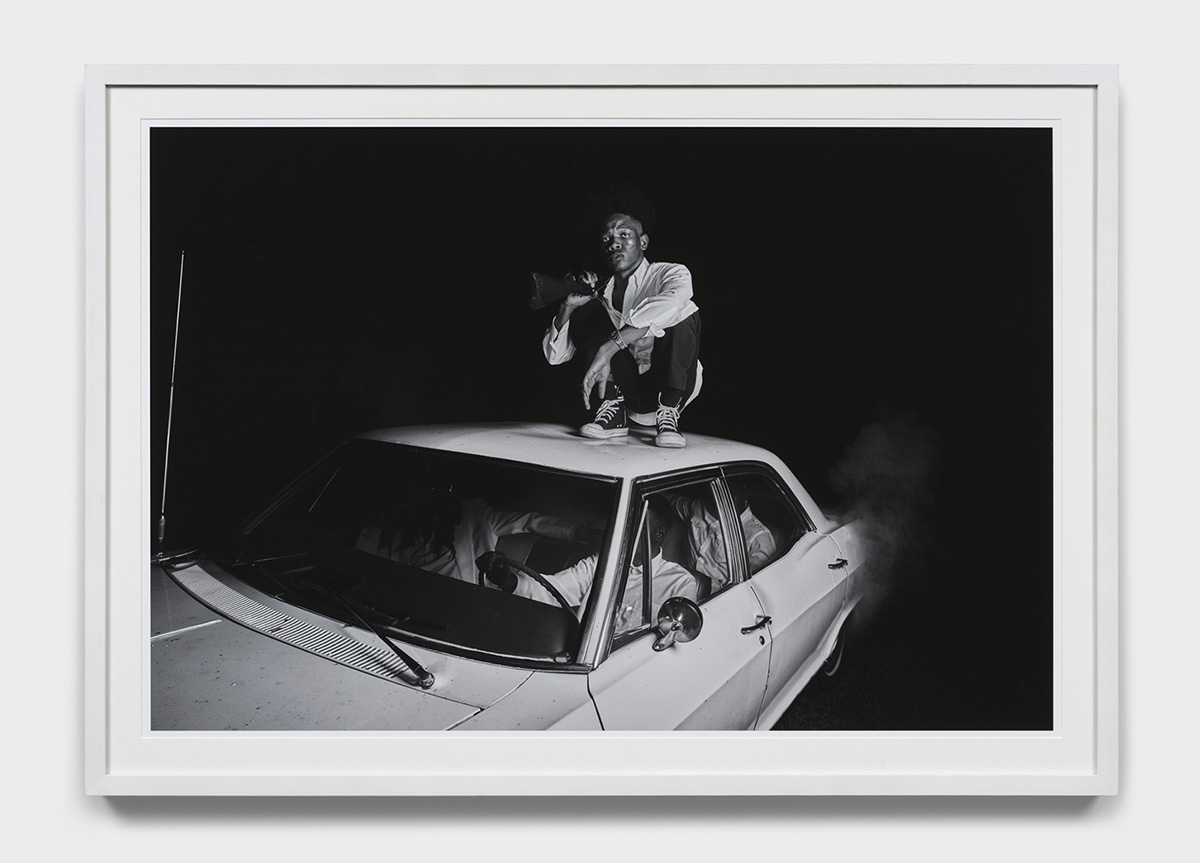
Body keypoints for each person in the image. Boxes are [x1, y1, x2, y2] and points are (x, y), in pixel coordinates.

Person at [542, 184, 702, 448]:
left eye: (624, 234)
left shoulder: (670, 274)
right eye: (606, 239)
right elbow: (555, 356)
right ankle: (613, 413)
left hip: (673, 384)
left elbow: (673, 304)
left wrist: (609, 347)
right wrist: (568, 306)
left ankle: (669, 410)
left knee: (684, 312)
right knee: (587, 309)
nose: (614, 242)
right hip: (626, 391)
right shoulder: (601, 290)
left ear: (644, 242)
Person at [484, 496, 697, 626]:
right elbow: (555, 589)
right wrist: (510, 581)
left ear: (658, 534)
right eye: (624, 524)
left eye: (635, 526)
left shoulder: (680, 583)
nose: (623, 533)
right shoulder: (599, 563)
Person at [356, 486, 596, 584]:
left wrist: (580, 532)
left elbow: (530, 521)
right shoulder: (396, 536)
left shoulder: (474, 516)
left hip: (466, 608)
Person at [663, 490, 777, 593]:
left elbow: (756, 589)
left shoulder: (758, 538)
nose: (725, 498)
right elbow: (672, 503)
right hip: (683, 583)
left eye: (733, 492)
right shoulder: (699, 507)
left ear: (744, 493)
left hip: (718, 598)